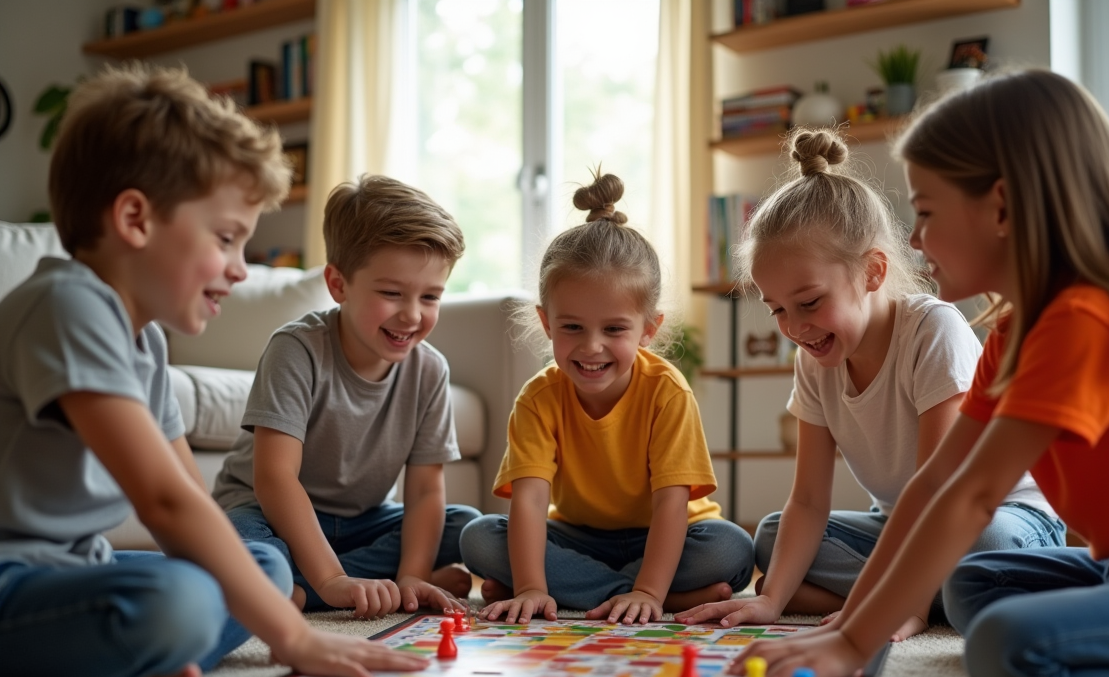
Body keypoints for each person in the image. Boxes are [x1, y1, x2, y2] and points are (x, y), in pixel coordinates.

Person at [730, 70, 1109, 677]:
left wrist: (853, 643)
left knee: (1006, 644)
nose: (913, 239)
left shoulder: (1085, 317)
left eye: (925, 212)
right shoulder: (1014, 332)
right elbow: (931, 486)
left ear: (1001, 208)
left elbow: (973, 495)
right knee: (976, 586)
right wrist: (851, 627)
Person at [0, 64, 427, 677]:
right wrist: (294, 637)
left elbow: (191, 502)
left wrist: (267, 606)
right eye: (226, 239)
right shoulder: (67, 306)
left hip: (76, 567)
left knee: (264, 567)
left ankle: (120, 659)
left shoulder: (144, 339)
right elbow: (163, 502)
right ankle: (123, 657)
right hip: (12, 577)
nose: (240, 269)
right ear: (135, 218)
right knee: (178, 602)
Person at [677, 127, 1064, 639]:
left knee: (986, 546)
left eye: (809, 302)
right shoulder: (814, 360)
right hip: (905, 527)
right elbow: (809, 501)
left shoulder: (932, 330)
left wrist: (907, 609)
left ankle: (907, 596)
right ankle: (938, 594)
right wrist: (771, 601)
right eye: (778, 310)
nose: (795, 328)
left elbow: (939, 489)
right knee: (772, 536)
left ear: (873, 272)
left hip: (1000, 518)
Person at [460, 171, 754, 626]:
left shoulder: (667, 391)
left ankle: (618, 590)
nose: (592, 346)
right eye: (572, 327)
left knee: (730, 549)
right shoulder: (538, 398)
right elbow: (531, 502)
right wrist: (531, 585)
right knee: (479, 537)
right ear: (546, 322)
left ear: (649, 329)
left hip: (670, 532)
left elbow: (671, 504)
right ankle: (659, 596)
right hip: (577, 536)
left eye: (614, 329)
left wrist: (648, 589)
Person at [213, 175, 479, 619]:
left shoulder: (430, 370)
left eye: (430, 296)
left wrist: (413, 575)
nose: (412, 315)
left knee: (463, 524)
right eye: (391, 293)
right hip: (265, 511)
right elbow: (275, 479)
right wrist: (330, 579)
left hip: (361, 522)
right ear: (338, 284)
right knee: (250, 553)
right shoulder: (296, 349)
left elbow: (424, 491)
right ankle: (327, 583)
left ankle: (312, 590)